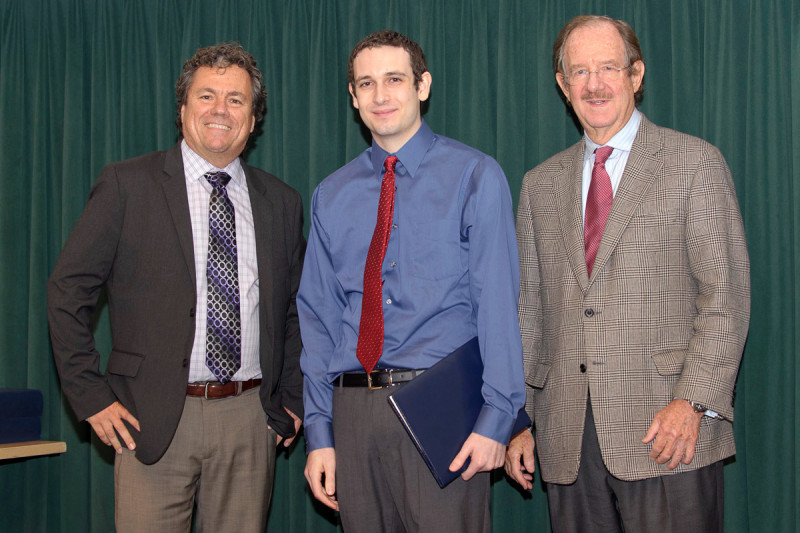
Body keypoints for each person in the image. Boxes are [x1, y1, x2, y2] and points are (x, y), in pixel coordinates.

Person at [505, 15, 750, 532]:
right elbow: (530, 314)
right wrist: (522, 419)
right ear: (562, 84)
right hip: (567, 439)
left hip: (667, 432)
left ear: (636, 75)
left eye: (609, 67)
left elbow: (725, 298)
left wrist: (694, 401)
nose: (594, 84)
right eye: (579, 71)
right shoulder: (538, 185)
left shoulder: (694, 164)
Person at [47, 42, 305, 531]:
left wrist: (292, 402)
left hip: (250, 421)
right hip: (153, 418)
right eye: (207, 96)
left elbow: (295, 312)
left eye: (236, 100)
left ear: (253, 120)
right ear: (183, 108)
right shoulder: (127, 185)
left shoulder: (281, 202)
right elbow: (67, 292)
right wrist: (89, 394)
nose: (220, 110)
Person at [298, 30, 525, 532]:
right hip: (353, 413)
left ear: (422, 85)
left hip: (442, 412)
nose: (381, 95)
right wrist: (321, 433)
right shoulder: (330, 195)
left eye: (394, 79)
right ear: (353, 97)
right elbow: (318, 320)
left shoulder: (475, 176)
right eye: (367, 83)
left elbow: (498, 310)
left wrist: (497, 420)